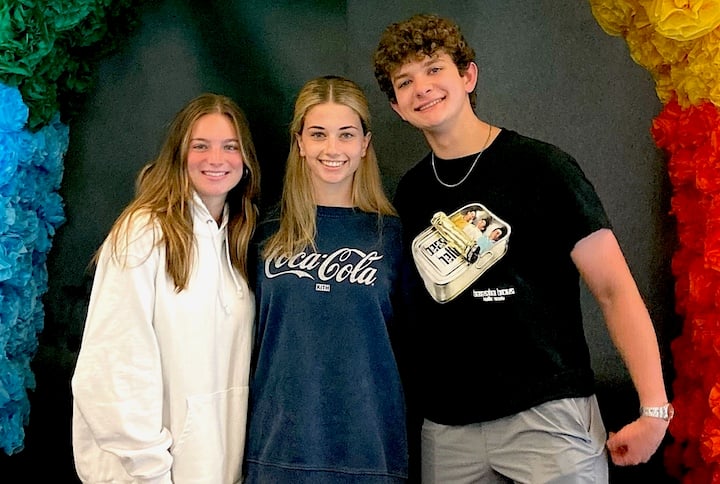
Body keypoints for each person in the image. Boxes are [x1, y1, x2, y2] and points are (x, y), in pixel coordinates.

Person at [373, 13, 671, 483]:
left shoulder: (541, 167)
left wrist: (654, 409)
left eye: (434, 69)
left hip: (549, 418)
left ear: (468, 76)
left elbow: (614, 289)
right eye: (405, 81)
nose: (422, 88)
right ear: (396, 106)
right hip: (448, 430)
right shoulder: (411, 193)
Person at [71, 93, 261, 483]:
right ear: (179, 154)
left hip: (214, 471)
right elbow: (113, 368)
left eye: (230, 147)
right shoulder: (144, 232)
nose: (216, 159)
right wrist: (150, 471)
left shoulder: (237, 237)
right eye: (200, 146)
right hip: (147, 475)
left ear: (245, 161)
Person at [243, 75, 408, 483]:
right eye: (318, 134)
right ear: (299, 142)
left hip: (370, 453)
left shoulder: (393, 237)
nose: (332, 148)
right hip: (276, 452)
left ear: (364, 144)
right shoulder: (263, 233)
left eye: (346, 134)